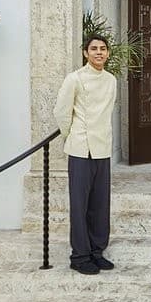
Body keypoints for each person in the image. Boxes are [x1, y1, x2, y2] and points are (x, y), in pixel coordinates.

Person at [53, 34, 118, 275]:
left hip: (102, 149)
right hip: (81, 149)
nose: (99, 52)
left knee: (100, 204)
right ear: (85, 53)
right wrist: (73, 135)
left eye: (103, 49)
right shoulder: (75, 79)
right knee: (79, 205)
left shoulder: (111, 80)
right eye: (94, 49)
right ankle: (79, 256)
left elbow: (107, 111)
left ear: (108, 53)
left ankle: (96, 251)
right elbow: (62, 112)